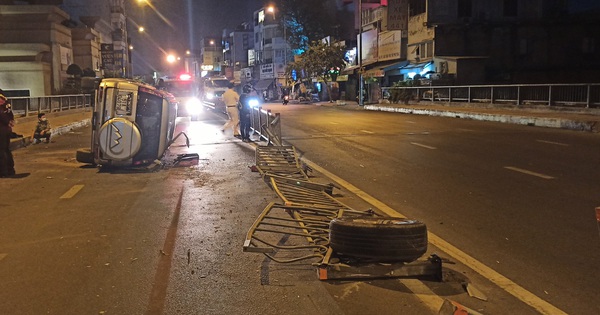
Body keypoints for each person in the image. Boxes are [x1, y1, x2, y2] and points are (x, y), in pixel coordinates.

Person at [0, 93, 16, 177]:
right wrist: (10, 122)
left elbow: (2, 115)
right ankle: (10, 170)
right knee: (6, 149)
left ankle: (4, 172)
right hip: (7, 130)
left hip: (1, 131)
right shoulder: (7, 104)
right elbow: (11, 115)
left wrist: (8, 122)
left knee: (2, 151)